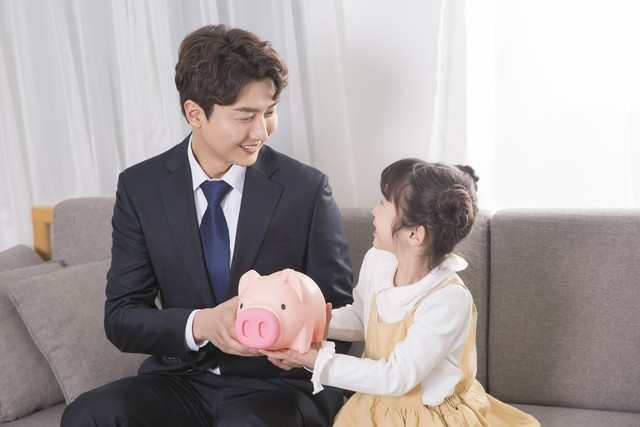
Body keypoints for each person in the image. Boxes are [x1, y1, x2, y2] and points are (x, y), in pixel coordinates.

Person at [61, 25, 353, 427]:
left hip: (278, 387)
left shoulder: (306, 188)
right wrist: (202, 324)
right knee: (88, 415)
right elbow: (122, 317)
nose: (261, 131)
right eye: (245, 116)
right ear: (195, 114)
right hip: (180, 379)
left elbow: (340, 312)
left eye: (269, 112)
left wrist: (291, 339)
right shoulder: (140, 188)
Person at [263, 159, 540, 426]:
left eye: (385, 204)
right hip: (375, 405)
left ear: (414, 235)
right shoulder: (378, 260)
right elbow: (362, 318)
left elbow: (396, 377)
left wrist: (317, 361)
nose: (374, 210)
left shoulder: (447, 298)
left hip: (426, 416)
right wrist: (302, 322)